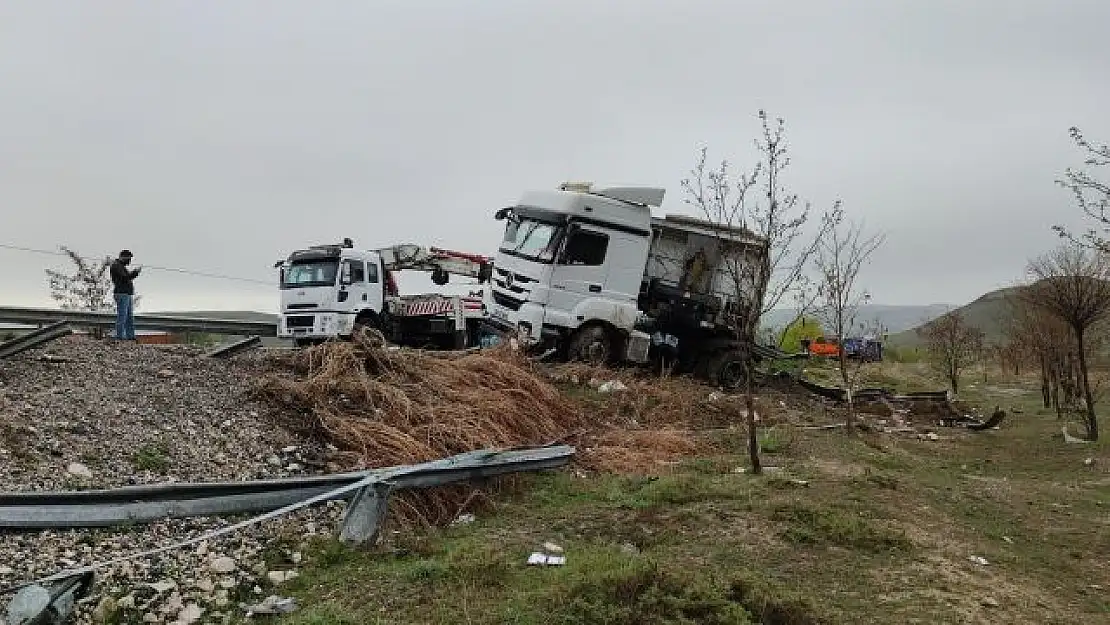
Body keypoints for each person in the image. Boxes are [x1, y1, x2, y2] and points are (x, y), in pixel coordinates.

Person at [110, 250, 141, 340]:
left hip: (126, 294)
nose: (129, 261)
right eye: (129, 258)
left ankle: (130, 336)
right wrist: (135, 272)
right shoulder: (116, 265)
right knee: (122, 316)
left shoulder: (121, 266)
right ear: (123, 257)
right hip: (121, 294)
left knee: (129, 317)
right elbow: (125, 278)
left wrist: (134, 273)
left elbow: (126, 277)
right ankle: (119, 336)